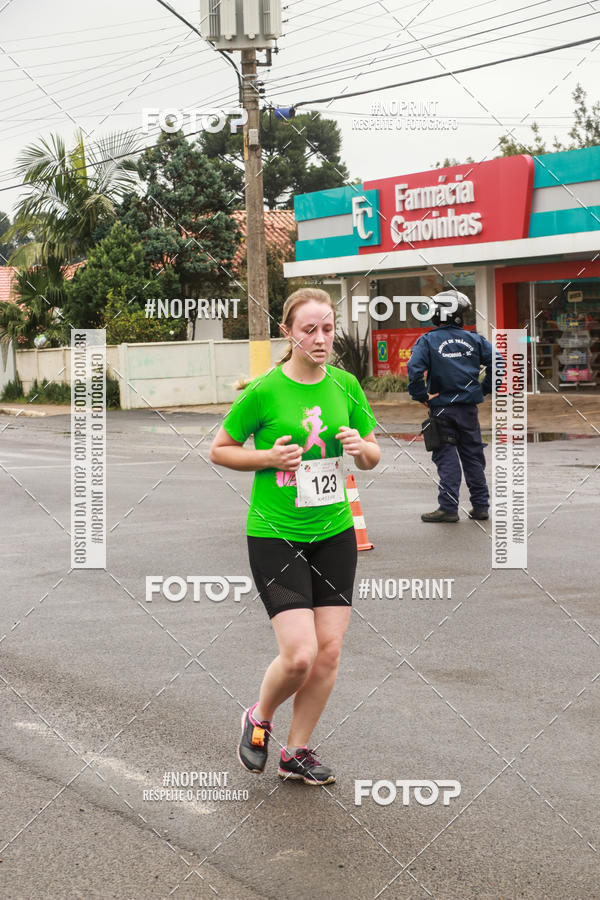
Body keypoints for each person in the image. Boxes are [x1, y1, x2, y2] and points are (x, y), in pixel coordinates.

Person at [209, 287, 380, 785]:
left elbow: (372, 454)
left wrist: (360, 447)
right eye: (310, 329)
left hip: (334, 533)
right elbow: (220, 449)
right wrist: (267, 458)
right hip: (276, 535)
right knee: (300, 654)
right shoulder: (264, 391)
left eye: (328, 328)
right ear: (288, 332)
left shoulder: (346, 385)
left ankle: (296, 751)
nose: (321, 338)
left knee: (328, 652)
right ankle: (259, 717)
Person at [407, 289, 493, 523]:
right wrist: (484, 389)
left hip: (442, 408)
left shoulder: (427, 340)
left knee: (446, 456)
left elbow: (414, 369)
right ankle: (480, 506)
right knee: (473, 455)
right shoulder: (475, 339)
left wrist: (421, 395)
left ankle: (448, 508)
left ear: (438, 314)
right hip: (468, 409)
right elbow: (498, 362)